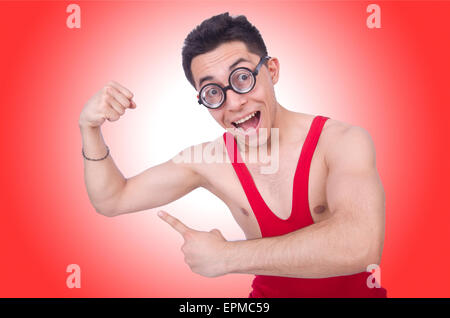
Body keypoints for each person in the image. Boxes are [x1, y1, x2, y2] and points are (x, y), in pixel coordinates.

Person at [78, 12, 387, 297]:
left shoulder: (342, 141)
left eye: (242, 77)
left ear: (272, 70)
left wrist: (226, 257)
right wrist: (89, 128)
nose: (234, 103)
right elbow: (111, 200)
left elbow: (360, 244)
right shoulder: (210, 161)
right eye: (213, 92)